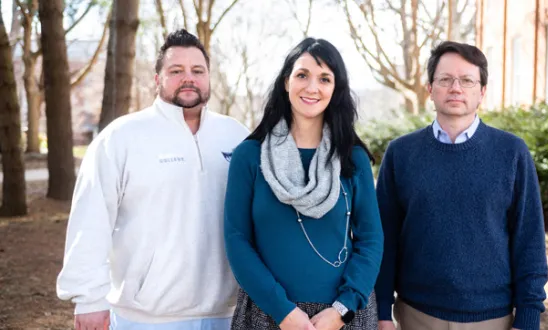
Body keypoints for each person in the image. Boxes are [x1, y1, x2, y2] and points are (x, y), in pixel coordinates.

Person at [56, 29, 249, 330]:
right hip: (146, 318)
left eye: (198, 70)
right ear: (157, 79)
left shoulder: (236, 136)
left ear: (209, 78)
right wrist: (89, 298)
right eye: (176, 71)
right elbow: (91, 219)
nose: (189, 78)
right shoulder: (121, 138)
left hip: (228, 313)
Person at [375, 41, 548, 330]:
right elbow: (384, 238)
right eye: (445, 79)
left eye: (467, 80)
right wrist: (382, 310)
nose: (456, 88)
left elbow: (529, 240)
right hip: (417, 315)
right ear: (430, 89)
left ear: (481, 91)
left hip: (493, 318)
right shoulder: (401, 153)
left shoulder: (512, 153)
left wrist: (528, 316)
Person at [223, 37, 384, 330]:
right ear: (286, 82)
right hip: (268, 313)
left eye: (325, 78)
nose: (312, 87)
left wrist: (341, 310)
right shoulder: (249, 156)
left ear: (335, 90)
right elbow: (237, 240)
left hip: (343, 316)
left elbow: (371, 241)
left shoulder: (353, 158)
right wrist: (284, 312)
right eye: (302, 75)